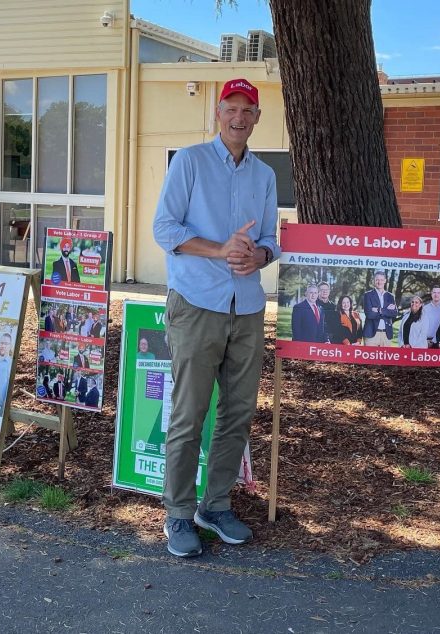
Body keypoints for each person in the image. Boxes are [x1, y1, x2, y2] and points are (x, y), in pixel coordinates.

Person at [152, 77, 279, 558]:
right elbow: (165, 228)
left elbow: (270, 238)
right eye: (231, 107)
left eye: (248, 109)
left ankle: (216, 504)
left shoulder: (264, 176)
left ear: (258, 118)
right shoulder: (189, 161)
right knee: (189, 415)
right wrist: (220, 249)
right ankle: (179, 514)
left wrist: (258, 257)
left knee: (238, 415)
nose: (239, 117)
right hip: (197, 302)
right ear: (217, 113)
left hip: (245, 307)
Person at [362, 270, 397, 346]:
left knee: (385, 357)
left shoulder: (390, 296)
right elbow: (369, 314)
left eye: (381, 280)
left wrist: (379, 310)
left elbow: (394, 313)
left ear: (385, 281)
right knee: (369, 357)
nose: (379, 282)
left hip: (386, 334)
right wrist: (387, 311)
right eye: (377, 280)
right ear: (374, 281)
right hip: (371, 334)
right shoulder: (367, 295)